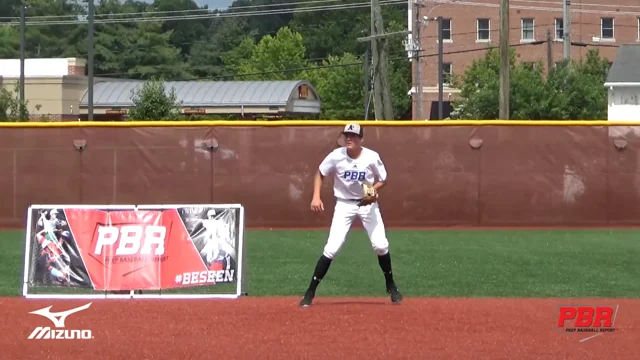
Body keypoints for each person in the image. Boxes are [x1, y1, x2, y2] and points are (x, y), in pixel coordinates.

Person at [299, 122, 402, 307]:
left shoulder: (371, 157)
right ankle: (310, 292)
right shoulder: (336, 156)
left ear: (361, 139)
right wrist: (316, 196)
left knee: (380, 245)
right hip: (344, 204)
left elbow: (383, 179)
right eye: (346, 135)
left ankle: (391, 284)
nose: (349, 138)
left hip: (367, 205)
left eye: (353, 136)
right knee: (332, 248)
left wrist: (371, 190)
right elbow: (320, 173)